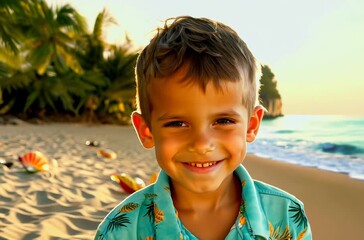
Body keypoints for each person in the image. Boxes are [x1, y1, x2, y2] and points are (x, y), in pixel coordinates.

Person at [94, 16, 312, 240]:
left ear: (252, 125)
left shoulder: (287, 217)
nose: (201, 143)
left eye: (223, 121)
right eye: (178, 123)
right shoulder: (120, 231)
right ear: (146, 130)